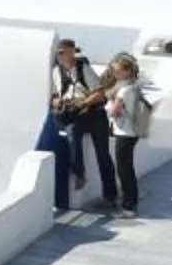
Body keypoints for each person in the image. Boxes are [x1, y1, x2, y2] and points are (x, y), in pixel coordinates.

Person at [49, 39, 118, 212]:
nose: (61, 56)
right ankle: (80, 174)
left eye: (64, 52)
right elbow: (55, 95)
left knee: (103, 156)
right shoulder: (56, 71)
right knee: (72, 135)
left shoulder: (83, 68)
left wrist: (82, 103)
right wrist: (59, 102)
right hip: (75, 116)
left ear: (72, 52)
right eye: (59, 53)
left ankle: (110, 197)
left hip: (94, 115)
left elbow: (101, 94)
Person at [98, 52, 151, 217]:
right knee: (127, 168)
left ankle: (129, 206)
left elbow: (114, 112)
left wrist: (109, 105)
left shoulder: (123, 91)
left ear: (127, 72)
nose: (115, 74)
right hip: (131, 132)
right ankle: (130, 202)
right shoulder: (135, 86)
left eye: (117, 71)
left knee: (124, 170)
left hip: (125, 133)